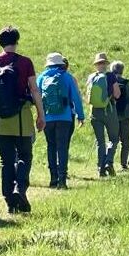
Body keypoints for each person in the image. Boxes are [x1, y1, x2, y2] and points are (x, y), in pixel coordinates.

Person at [0, 26, 46, 213]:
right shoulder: (25, 62)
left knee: (6, 160)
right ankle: (20, 189)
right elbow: (34, 89)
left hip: (0, 120)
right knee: (25, 156)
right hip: (21, 118)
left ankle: (10, 200)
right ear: (17, 41)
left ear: (0, 43)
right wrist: (41, 115)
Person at [37, 52, 85, 190]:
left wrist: (40, 116)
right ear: (61, 64)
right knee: (62, 147)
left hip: (48, 118)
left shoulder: (41, 77)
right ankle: (62, 181)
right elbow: (76, 98)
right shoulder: (67, 77)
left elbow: (37, 98)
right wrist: (80, 116)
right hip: (65, 118)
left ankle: (53, 179)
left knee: (51, 146)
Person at [84, 53, 121, 177]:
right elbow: (117, 94)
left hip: (95, 112)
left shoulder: (91, 77)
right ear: (106, 64)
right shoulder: (111, 76)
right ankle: (108, 161)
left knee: (100, 142)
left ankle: (100, 169)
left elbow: (87, 97)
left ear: (96, 65)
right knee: (114, 139)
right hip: (109, 110)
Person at [111, 60, 129, 170]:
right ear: (122, 70)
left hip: (112, 115)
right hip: (125, 116)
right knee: (125, 141)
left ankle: (108, 161)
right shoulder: (126, 83)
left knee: (112, 140)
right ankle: (124, 163)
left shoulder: (109, 81)